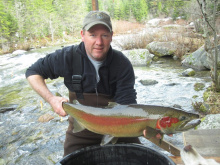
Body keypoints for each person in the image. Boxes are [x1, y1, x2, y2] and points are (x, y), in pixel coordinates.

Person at [26, 11, 141, 156]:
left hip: (120, 129)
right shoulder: (66, 57)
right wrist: (51, 99)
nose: (99, 42)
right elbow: (33, 72)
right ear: (82, 35)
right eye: (92, 35)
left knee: (139, 157)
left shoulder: (122, 64)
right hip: (81, 131)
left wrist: (143, 127)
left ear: (111, 36)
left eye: (104, 35)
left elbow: (127, 106)